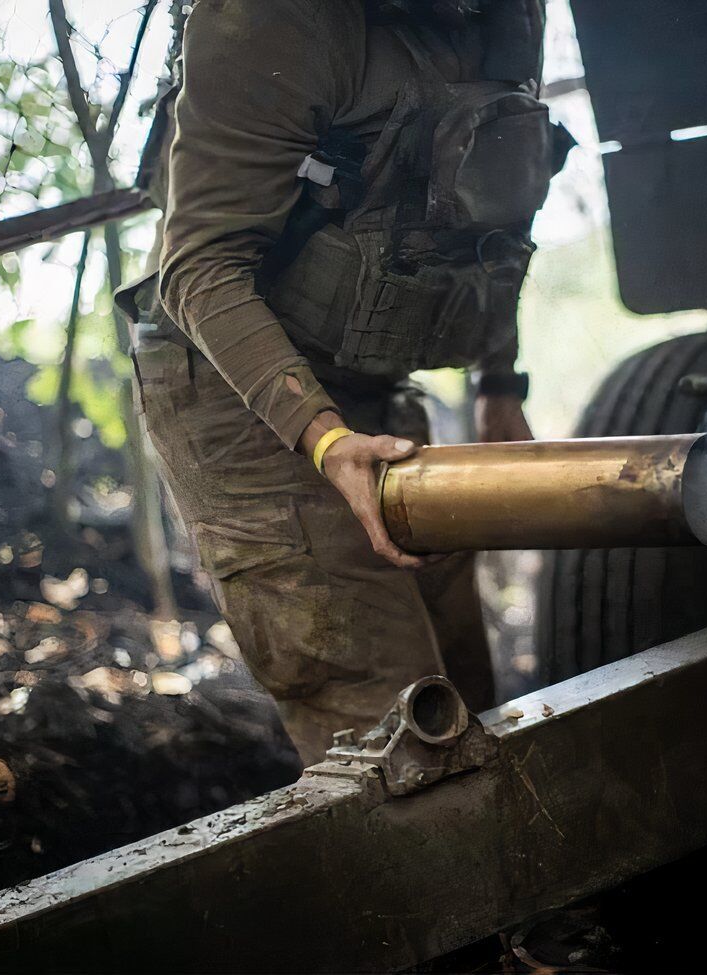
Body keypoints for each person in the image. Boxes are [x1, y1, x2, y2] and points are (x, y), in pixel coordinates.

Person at [120, 0, 569, 765]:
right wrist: (325, 438)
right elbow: (198, 268)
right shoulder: (270, 20)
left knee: (471, 700)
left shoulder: (510, 12)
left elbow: (500, 208)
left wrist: (501, 384)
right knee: (405, 735)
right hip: (243, 397)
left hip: (375, 391)